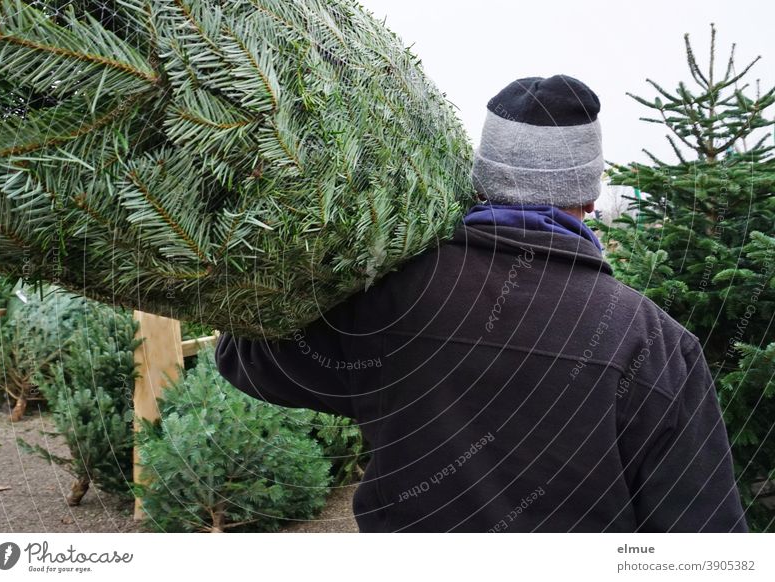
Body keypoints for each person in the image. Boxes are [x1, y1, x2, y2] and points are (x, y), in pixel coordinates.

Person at [215, 75, 747, 533]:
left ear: (479, 183)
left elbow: (249, 362)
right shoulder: (653, 342)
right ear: (588, 196)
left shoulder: (386, 299)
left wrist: (277, 269)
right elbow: (704, 536)